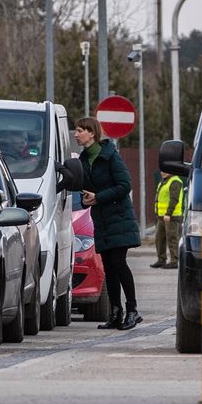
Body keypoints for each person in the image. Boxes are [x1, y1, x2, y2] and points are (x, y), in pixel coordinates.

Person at [76, 116, 143, 330]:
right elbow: (86, 189)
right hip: (102, 220)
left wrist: (99, 197)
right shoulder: (83, 159)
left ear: (92, 133)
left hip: (119, 218)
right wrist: (86, 199)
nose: (76, 134)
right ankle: (116, 312)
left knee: (119, 263)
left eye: (80, 130)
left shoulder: (110, 155)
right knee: (108, 267)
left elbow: (125, 185)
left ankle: (132, 310)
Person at [151, 169, 184, 269]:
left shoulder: (175, 181)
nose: (162, 173)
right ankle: (161, 259)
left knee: (172, 238)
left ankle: (174, 261)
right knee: (159, 239)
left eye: (165, 171)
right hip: (162, 216)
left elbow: (174, 199)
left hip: (171, 216)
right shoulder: (164, 181)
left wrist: (168, 213)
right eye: (162, 171)